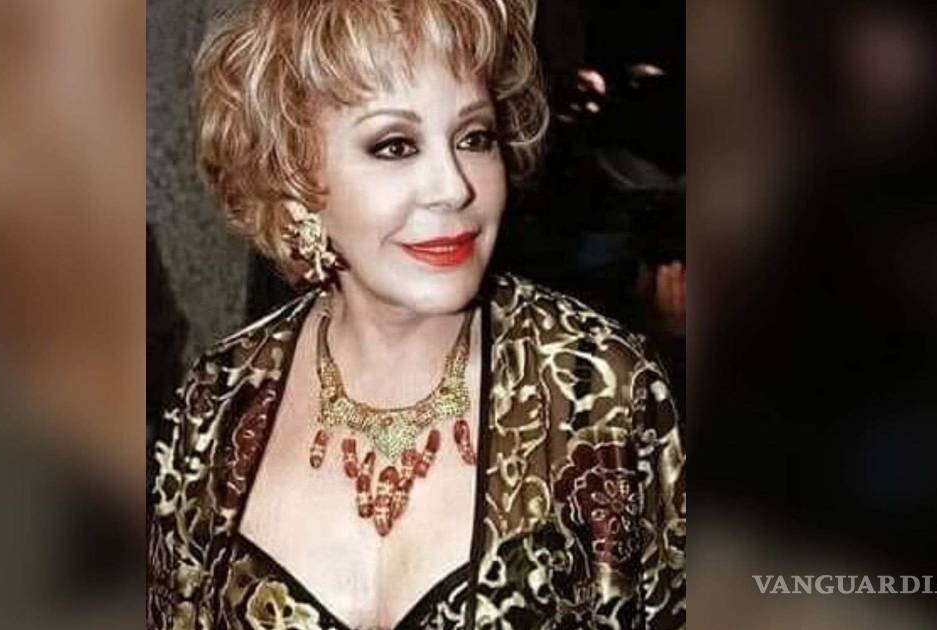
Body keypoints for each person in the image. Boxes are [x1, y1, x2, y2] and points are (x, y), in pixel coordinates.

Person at [147, 1, 685, 628]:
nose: (454, 186)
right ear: (291, 173)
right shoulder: (216, 402)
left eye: (474, 138)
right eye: (395, 145)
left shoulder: (601, 390)